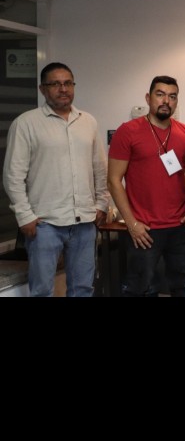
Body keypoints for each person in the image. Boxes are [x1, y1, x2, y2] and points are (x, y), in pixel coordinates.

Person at [3, 62, 109, 297]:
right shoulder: (26, 124)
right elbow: (13, 176)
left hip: (84, 223)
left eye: (68, 83)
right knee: (42, 291)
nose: (63, 89)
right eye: (56, 84)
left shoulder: (88, 122)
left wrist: (102, 203)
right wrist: (24, 215)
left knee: (82, 289)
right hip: (44, 225)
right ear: (42, 89)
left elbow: (100, 168)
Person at [107, 75, 185, 297]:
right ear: (148, 98)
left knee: (180, 285)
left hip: (179, 226)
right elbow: (113, 180)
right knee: (141, 288)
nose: (166, 101)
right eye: (160, 94)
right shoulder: (128, 131)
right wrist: (132, 224)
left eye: (172, 96)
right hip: (144, 229)